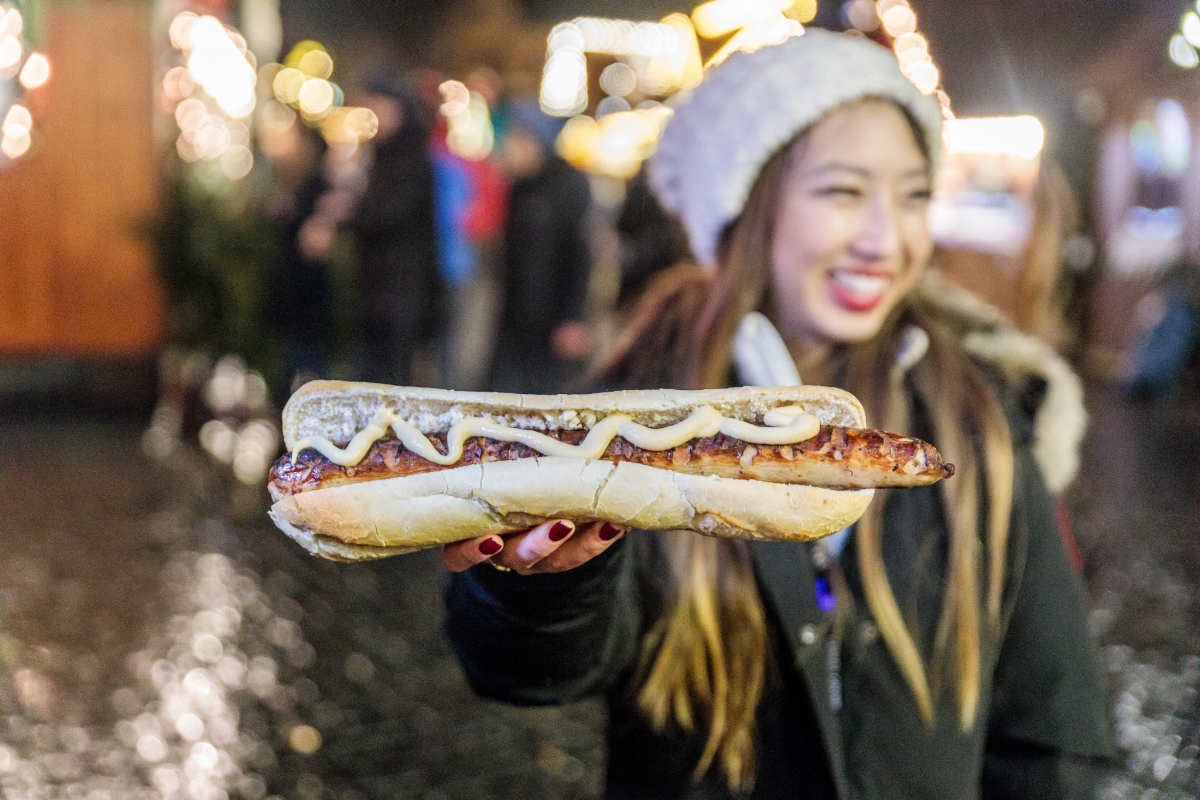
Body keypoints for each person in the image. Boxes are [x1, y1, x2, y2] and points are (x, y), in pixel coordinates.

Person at [442, 31, 1112, 800]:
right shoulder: (627, 412)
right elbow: (528, 668)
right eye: (842, 190)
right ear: (748, 206)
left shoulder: (981, 421)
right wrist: (543, 588)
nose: (886, 238)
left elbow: (1052, 731)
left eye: (915, 194)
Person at [488, 99, 594, 393]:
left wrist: (574, 317)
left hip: (553, 319)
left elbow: (580, 255)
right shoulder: (519, 185)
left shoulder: (569, 185)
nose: (510, 146)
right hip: (515, 317)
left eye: (518, 138)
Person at [347, 72, 443, 385]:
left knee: (391, 381)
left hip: (402, 290)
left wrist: (348, 215)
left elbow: (390, 214)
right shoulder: (381, 154)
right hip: (374, 287)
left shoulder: (413, 156)